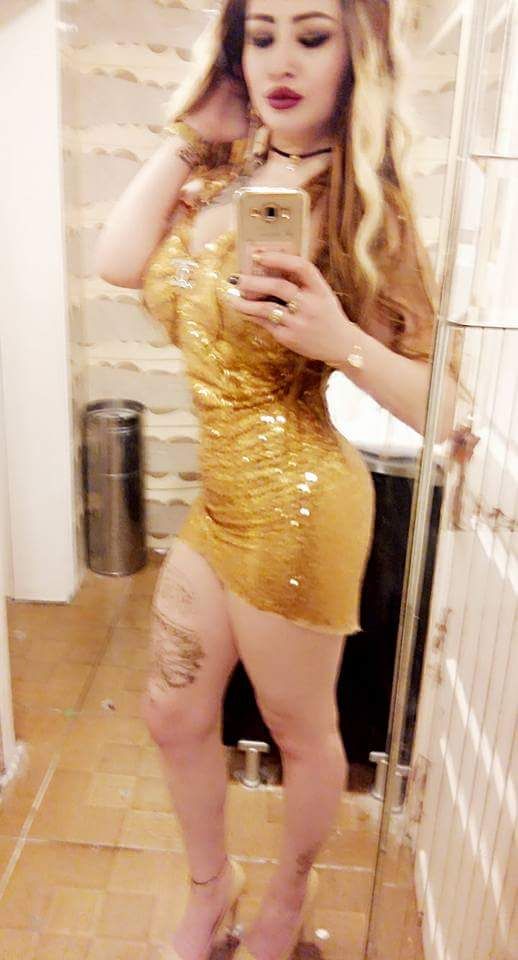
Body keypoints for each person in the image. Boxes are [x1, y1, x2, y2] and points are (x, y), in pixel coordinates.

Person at [95, 2, 457, 958]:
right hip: (218, 500)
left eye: (312, 35)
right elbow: (118, 261)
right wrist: (191, 135)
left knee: (300, 732)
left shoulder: (367, 209)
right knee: (172, 712)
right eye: (260, 37)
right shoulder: (224, 178)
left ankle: (287, 901)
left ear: (355, 57)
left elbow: (446, 407)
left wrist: (337, 338)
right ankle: (210, 890)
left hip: (301, 505)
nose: (281, 61)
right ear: (234, 54)